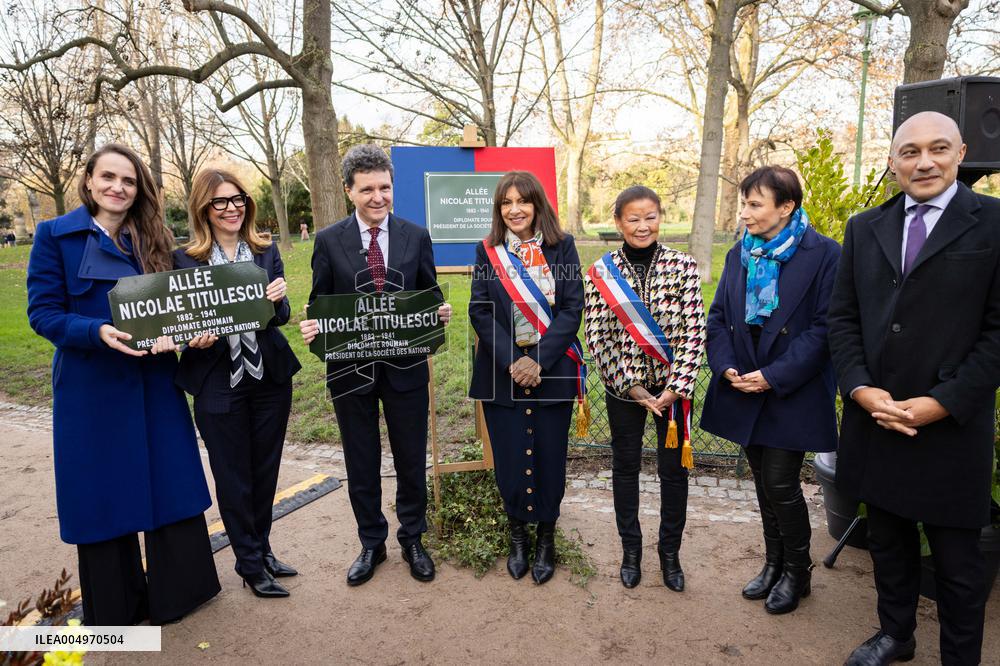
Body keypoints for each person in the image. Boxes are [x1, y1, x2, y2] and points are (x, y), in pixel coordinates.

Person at [828, 111, 1000, 666]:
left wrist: (943, 402)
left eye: (938, 148)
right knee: (888, 542)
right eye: (910, 151)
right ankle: (895, 634)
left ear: (961, 153)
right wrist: (859, 387)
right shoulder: (864, 227)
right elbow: (843, 319)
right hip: (876, 419)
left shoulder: (993, 223)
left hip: (951, 428)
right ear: (892, 161)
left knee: (958, 563)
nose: (924, 162)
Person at [25, 143, 220, 625]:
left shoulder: (155, 238)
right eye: (108, 177)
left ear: (139, 190)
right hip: (92, 390)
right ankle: (118, 608)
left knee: (169, 482)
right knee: (102, 494)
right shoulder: (53, 235)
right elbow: (43, 313)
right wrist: (96, 331)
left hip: (155, 384)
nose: (118, 187)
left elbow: (176, 309)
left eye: (129, 181)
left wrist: (191, 333)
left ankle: (179, 595)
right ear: (89, 181)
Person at [300, 144, 452, 585]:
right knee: (361, 461)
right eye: (367, 189)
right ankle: (372, 543)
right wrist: (314, 326)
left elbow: (429, 293)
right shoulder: (329, 240)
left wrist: (438, 311)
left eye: (384, 187)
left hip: (406, 368)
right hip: (350, 372)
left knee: (411, 459)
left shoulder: (415, 236)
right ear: (349, 191)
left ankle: (413, 539)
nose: (377, 197)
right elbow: (320, 301)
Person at [154, 169, 302, 598]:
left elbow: (281, 317)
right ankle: (249, 563)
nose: (231, 208)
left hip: (269, 377)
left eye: (237, 199)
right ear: (204, 208)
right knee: (234, 476)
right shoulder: (183, 260)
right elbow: (179, 324)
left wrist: (279, 300)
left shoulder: (264, 249)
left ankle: (263, 549)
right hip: (218, 379)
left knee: (265, 471)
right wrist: (192, 339)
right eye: (219, 201)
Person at [700, 166, 841, 614]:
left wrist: (774, 375)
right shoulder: (740, 252)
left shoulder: (825, 254)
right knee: (763, 482)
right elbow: (718, 317)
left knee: (780, 482)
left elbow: (823, 330)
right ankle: (774, 563)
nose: (744, 213)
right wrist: (725, 366)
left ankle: (798, 572)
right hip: (745, 384)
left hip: (790, 388)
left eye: (754, 204)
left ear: (786, 207)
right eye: (744, 203)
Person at [584, 185, 706, 591]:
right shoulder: (601, 272)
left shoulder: (683, 265)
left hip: (673, 392)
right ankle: (631, 551)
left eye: (650, 217)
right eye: (633, 218)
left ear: (660, 218)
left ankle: (670, 554)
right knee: (625, 468)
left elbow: (694, 331)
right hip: (626, 392)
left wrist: (677, 386)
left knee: (674, 472)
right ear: (618, 222)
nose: (642, 226)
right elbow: (598, 337)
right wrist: (631, 386)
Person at [468, 171, 585, 585]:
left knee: (550, 455)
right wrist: (513, 362)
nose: (514, 209)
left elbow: (572, 308)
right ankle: (517, 535)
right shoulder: (488, 251)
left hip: (552, 367)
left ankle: (546, 538)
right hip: (502, 372)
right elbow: (480, 310)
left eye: (523, 201)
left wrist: (537, 360)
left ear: (537, 205)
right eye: (506, 202)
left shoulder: (562, 246)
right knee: (511, 455)